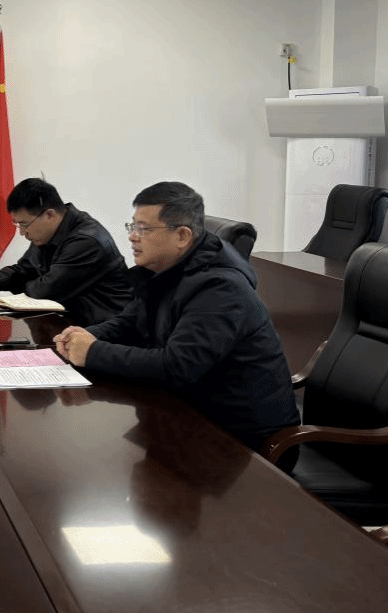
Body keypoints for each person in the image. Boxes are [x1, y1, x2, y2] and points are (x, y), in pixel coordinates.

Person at [54, 181, 299, 457]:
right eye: (132, 226)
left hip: (246, 444)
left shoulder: (221, 289)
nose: (132, 237)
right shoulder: (168, 269)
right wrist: (85, 335)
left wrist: (93, 352)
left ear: (182, 236)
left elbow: (177, 366)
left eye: (144, 229)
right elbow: (130, 322)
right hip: (193, 414)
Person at [0, 177, 132, 326]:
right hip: (71, 323)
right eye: (17, 224)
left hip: (108, 330)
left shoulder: (86, 241)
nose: (22, 232)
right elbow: (23, 270)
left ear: (49, 214)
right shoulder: (47, 234)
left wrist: (17, 289)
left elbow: (45, 290)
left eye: (24, 224)